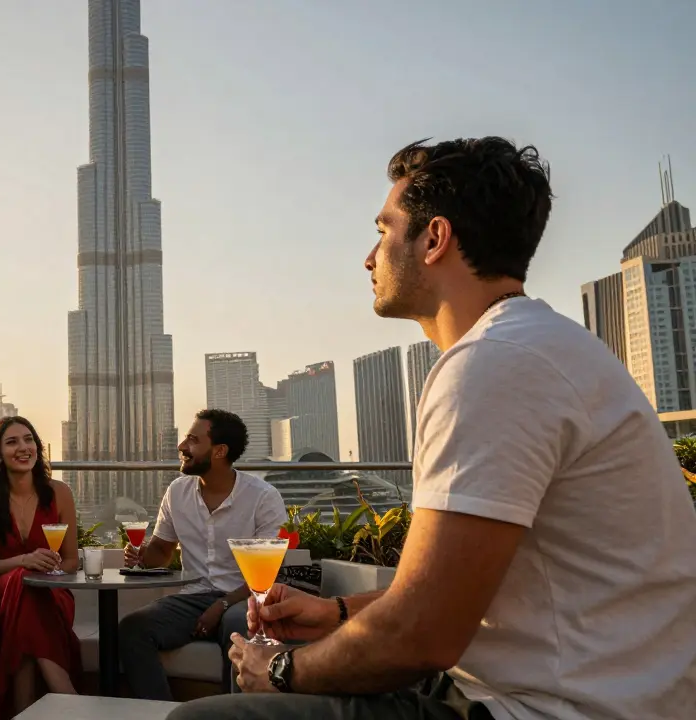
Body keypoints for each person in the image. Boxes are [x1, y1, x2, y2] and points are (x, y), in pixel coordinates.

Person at [170, 138, 696, 720]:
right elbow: (455, 592)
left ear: (434, 239)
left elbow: (421, 637)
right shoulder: (541, 346)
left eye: (383, 231)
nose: (369, 258)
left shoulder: (492, 364)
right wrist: (337, 613)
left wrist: (277, 671)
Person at [119, 409, 287, 701]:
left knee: (239, 624)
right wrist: (142, 555)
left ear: (219, 451)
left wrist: (222, 605)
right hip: (192, 598)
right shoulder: (177, 491)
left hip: (241, 597)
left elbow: (266, 573)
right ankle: (164, 715)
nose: (182, 446)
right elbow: (162, 552)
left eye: (193, 440)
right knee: (133, 628)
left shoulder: (262, 496)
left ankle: (231, 713)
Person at [0, 416, 82, 717]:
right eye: (12, 441)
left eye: (29, 439)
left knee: (28, 594)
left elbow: (71, 561)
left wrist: (45, 569)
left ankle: (22, 711)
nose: (23, 447)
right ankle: (67, 694)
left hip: (50, 592)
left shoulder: (59, 493)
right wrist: (24, 562)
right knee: (22, 581)